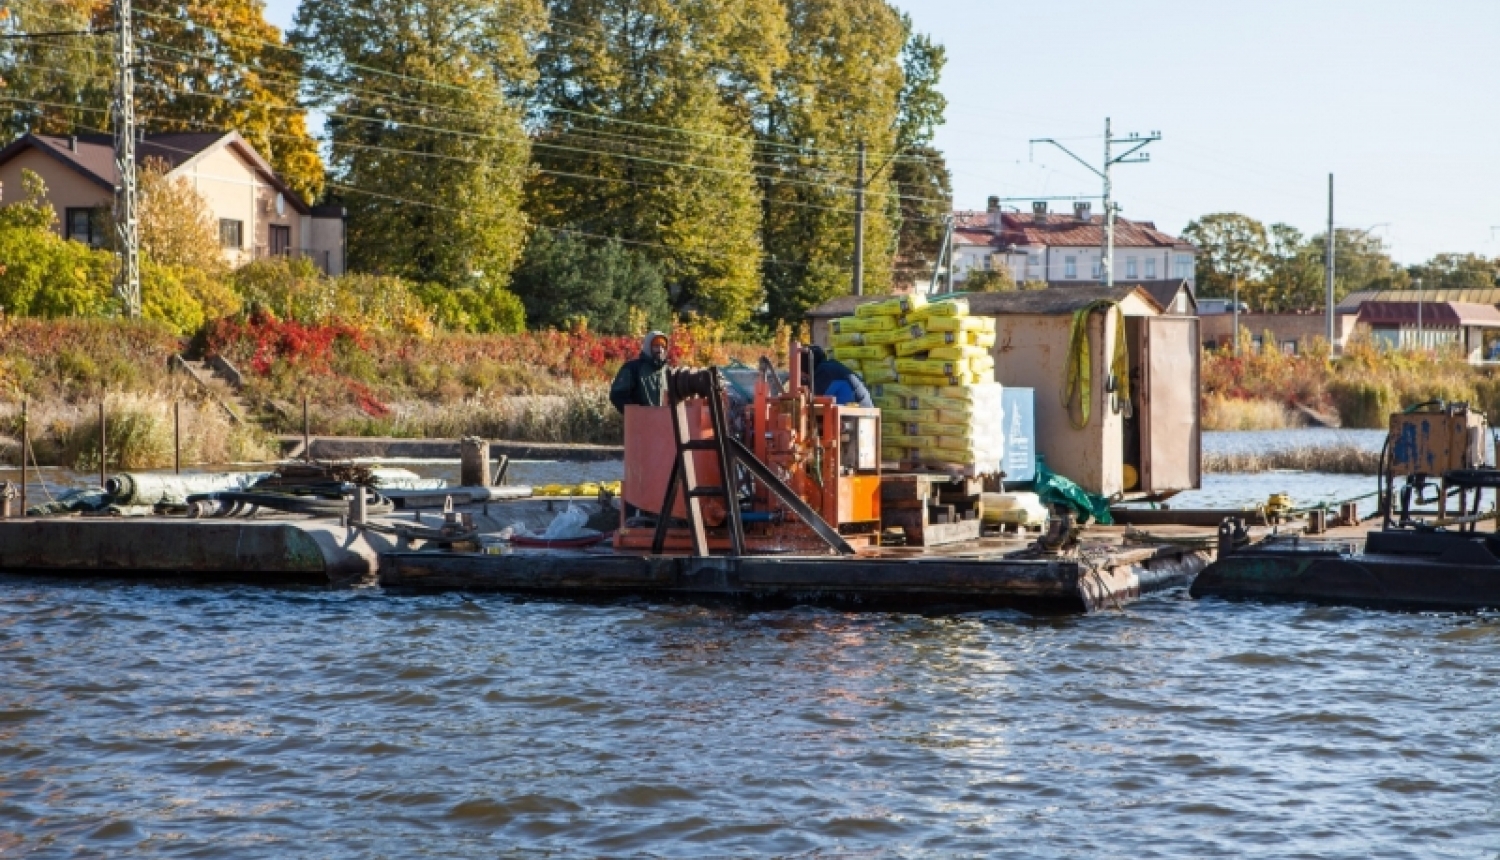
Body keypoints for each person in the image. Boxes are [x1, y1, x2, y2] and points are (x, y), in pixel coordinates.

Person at [609, 330, 670, 413]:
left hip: (662, 423)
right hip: (640, 423)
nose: (660, 350)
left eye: (663, 346)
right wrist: (636, 414)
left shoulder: (667, 371)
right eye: (656, 346)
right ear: (648, 347)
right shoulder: (633, 368)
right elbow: (617, 395)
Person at [807, 344, 874, 407]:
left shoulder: (823, 371)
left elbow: (813, 400)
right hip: (864, 409)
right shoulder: (830, 366)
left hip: (857, 412)